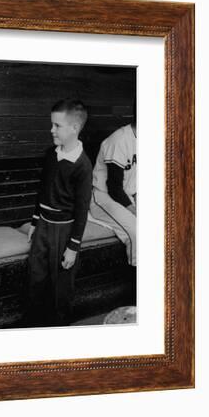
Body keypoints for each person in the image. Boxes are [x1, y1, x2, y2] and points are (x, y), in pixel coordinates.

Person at [25, 99, 93, 326]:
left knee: (60, 286)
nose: (51, 130)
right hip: (43, 226)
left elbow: (82, 209)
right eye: (51, 124)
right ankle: (35, 324)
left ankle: (59, 328)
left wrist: (73, 247)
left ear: (74, 128)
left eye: (57, 125)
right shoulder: (50, 155)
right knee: (36, 277)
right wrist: (35, 222)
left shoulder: (83, 166)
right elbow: (43, 190)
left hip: (64, 232)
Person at [89, 120, 137, 266]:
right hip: (103, 197)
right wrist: (135, 211)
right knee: (137, 231)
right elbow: (114, 187)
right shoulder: (119, 140)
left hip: (127, 197)